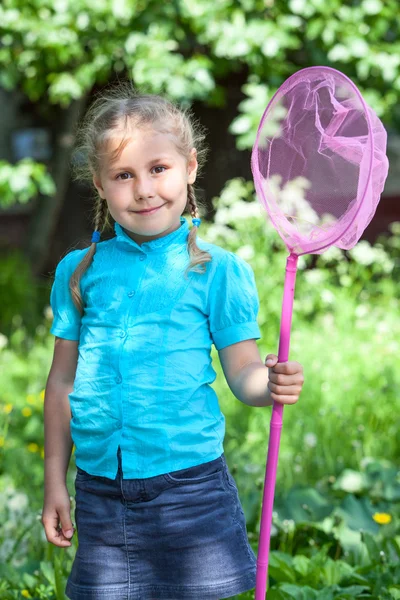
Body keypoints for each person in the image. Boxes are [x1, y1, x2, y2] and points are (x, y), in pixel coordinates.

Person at [41, 81, 305, 600]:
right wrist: (54, 476)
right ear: (99, 183)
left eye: (158, 168)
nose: (143, 189)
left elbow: (243, 371)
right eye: (123, 175)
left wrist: (268, 382)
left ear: (189, 167)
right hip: (100, 490)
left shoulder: (217, 270)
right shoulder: (80, 270)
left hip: (190, 491)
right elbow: (62, 382)